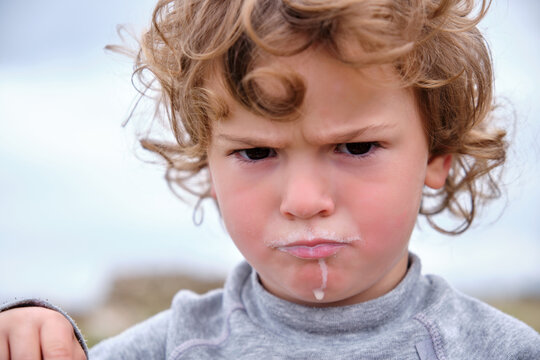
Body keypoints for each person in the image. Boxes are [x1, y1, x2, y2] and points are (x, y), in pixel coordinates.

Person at [1, 0, 539, 359]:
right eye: (256, 151)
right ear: (206, 162)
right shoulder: (175, 346)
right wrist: (33, 333)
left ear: (436, 156)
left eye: (355, 147)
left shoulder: (502, 350)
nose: (304, 202)